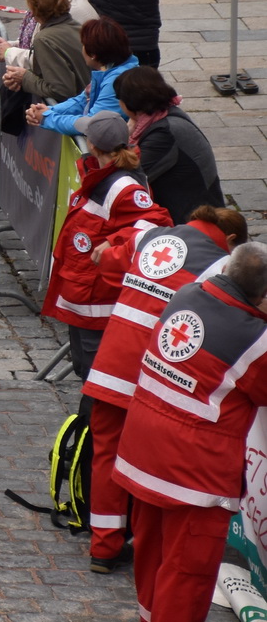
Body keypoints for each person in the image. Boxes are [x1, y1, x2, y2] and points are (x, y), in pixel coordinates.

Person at [116, 242, 267, 622]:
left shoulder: (185, 294)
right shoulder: (256, 341)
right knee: (189, 569)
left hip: (143, 447)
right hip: (194, 471)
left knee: (152, 549)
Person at [84, 204, 249, 574]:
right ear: (233, 240)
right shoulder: (220, 267)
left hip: (110, 365)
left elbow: (107, 264)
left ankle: (103, 546)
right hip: (154, 375)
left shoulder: (151, 237)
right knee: (150, 467)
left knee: (106, 454)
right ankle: (150, 555)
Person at [41, 109, 171, 380]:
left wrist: (115, 240)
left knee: (95, 375)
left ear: (91, 144)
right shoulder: (99, 175)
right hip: (83, 294)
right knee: (83, 369)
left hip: (98, 302)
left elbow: (157, 224)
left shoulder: (122, 187)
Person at [113, 67, 225, 224]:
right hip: (193, 211)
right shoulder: (167, 114)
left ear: (129, 103)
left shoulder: (164, 133)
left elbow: (127, 177)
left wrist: (121, 138)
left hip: (192, 222)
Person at [25, 16, 138, 139]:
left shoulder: (116, 81)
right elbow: (82, 101)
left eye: (83, 45)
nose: (81, 48)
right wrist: (48, 111)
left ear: (93, 55)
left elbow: (92, 123)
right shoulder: (108, 69)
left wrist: (47, 119)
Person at [0, 0, 89, 107]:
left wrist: (24, 78)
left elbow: (61, 90)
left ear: (31, 4)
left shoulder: (44, 39)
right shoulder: (75, 26)